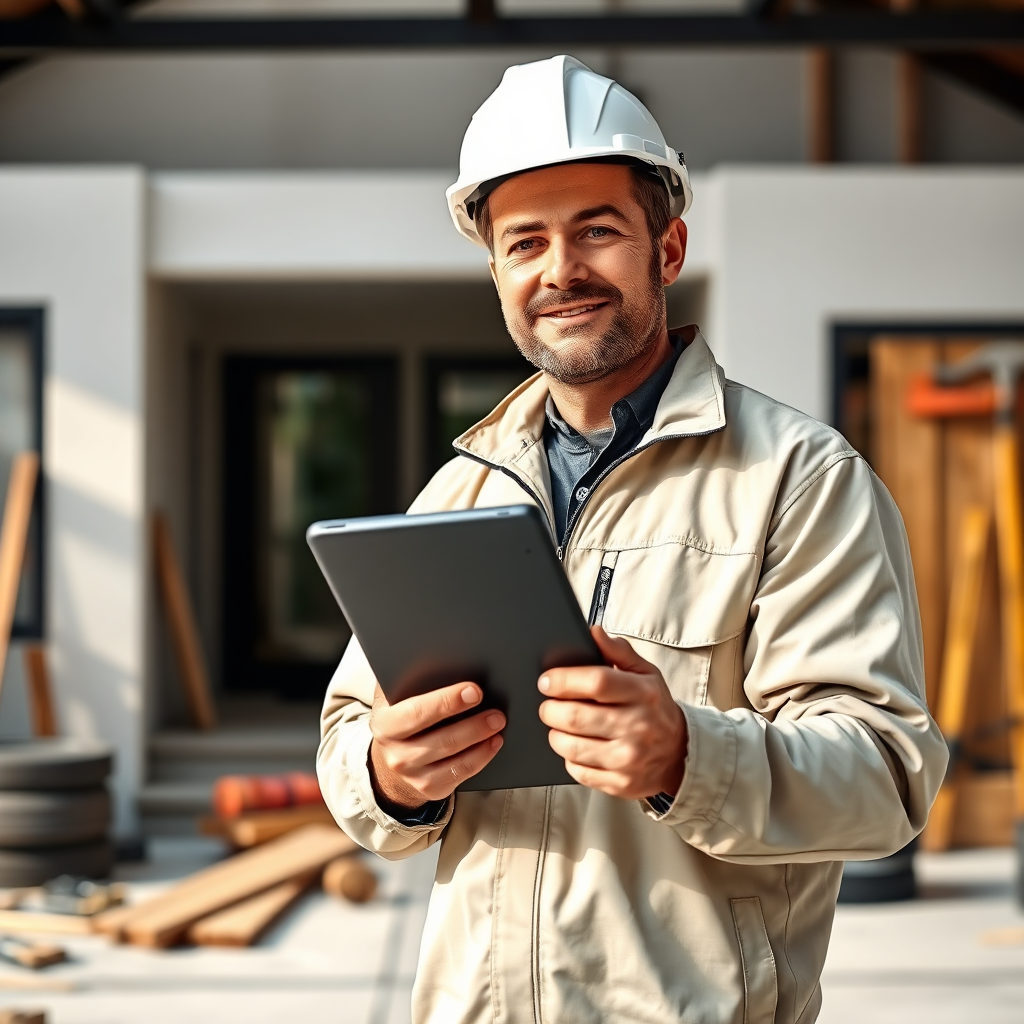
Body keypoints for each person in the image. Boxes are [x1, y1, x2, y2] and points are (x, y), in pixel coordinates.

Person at [318, 55, 946, 1024]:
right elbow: (348, 740)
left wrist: (686, 755)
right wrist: (390, 778)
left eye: (597, 231)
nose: (558, 269)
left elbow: (886, 778)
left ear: (667, 247)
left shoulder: (796, 478)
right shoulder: (454, 493)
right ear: (495, 272)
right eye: (524, 242)